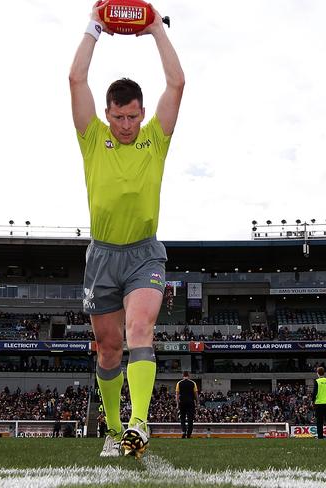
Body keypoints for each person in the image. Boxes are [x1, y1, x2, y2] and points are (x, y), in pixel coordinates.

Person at [69, 1, 184, 459]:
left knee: (140, 330)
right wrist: (93, 29)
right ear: (108, 114)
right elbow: (76, 79)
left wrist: (156, 28)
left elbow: (177, 82)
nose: (127, 125)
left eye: (133, 116)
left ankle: (140, 421)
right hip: (101, 256)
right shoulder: (93, 137)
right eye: (119, 117)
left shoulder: (156, 136)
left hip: (144, 254)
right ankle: (114, 431)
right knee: (108, 349)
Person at [176, 371, 198, 438]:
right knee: (190, 419)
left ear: (183, 375)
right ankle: (189, 434)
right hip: (190, 402)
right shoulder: (193, 383)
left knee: (182, 418)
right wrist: (197, 402)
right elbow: (196, 394)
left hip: (182, 402)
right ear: (189, 375)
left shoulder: (179, 383)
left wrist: (177, 404)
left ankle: (184, 431)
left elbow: (177, 395)